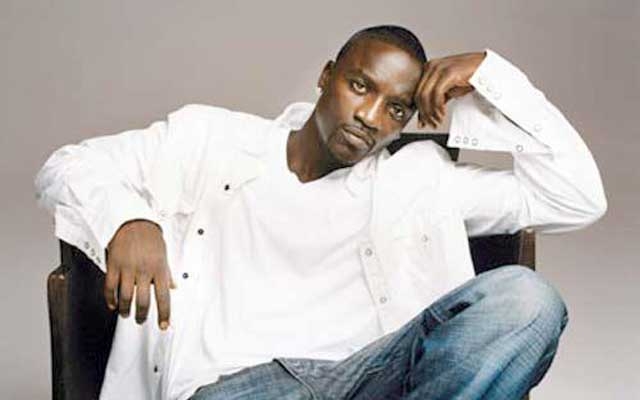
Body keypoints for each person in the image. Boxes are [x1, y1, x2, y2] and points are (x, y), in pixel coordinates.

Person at [35, 25, 607, 400]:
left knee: (526, 298)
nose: (371, 117)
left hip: (372, 379)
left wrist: (490, 76)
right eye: (360, 86)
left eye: (396, 109)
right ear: (326, 75)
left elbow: (576, 197)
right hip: (239, 388)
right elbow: (67, 165)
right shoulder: (211, 139)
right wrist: (127, 221)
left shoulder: (421, 182)